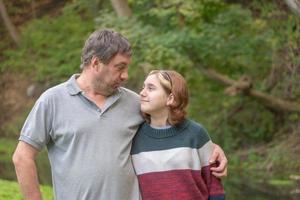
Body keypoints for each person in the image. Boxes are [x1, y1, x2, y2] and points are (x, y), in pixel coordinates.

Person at [12, 29, 227, 200]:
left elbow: (172, 127)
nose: (125, 75)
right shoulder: (52, 100)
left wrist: (212, 149)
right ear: (96, 63)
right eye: (119, 67)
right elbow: (22, 157)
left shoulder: (135, 103)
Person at [131, 70, 225, 200]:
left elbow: (214, 187)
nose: (142, 93)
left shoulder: (196, 133)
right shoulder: (134, 136)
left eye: (150, 88)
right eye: (143, 87)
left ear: (170, 98)